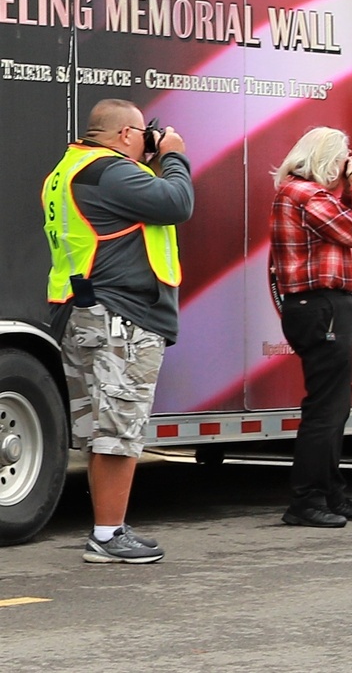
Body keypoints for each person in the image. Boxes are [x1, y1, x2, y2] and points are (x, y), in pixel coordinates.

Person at [43, 98, 194, 563]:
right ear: (125, 134)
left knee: (102, 430)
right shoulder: (111, 171)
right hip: (120, 317)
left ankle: (109, 528)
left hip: (84, 311)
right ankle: (108, 536)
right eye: (142, 133)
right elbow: (177, 202)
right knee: (120, 428)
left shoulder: (68, 170)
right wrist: (174, 155)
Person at [269, 127, 352, 527]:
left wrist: (349, 192)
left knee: (333, 407)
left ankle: (331, 493)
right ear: (328, 160)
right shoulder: (305, 194)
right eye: (341, 159)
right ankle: (306, 501)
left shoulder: (310, 195)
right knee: (324, 409)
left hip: (322, 306)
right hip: (321, 305)